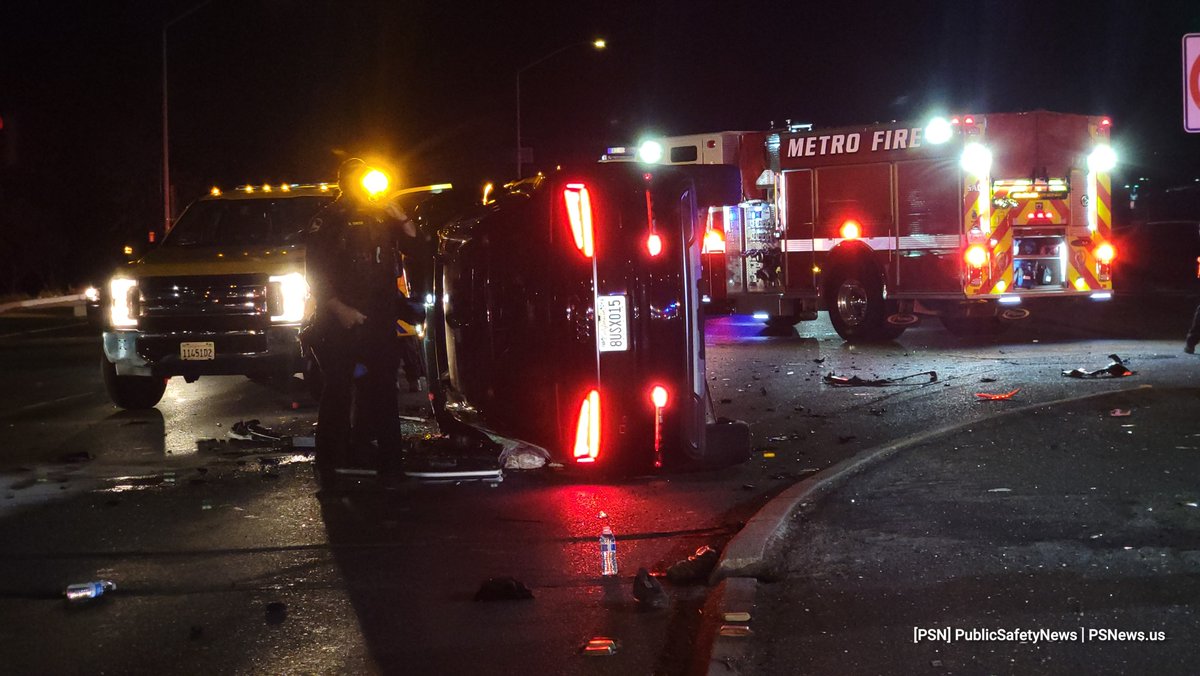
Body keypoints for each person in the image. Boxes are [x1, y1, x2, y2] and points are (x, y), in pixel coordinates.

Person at [305, 158, 419, 489]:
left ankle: (390, 466)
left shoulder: (381, 214)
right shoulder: (327, 220)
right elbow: (315, 271)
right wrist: (338, 308)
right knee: (337, 391)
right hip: (340, 320)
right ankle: (329, 464)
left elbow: (416, 245)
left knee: (384, 391)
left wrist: (400, 215)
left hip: (380, 318)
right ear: (345, 183)